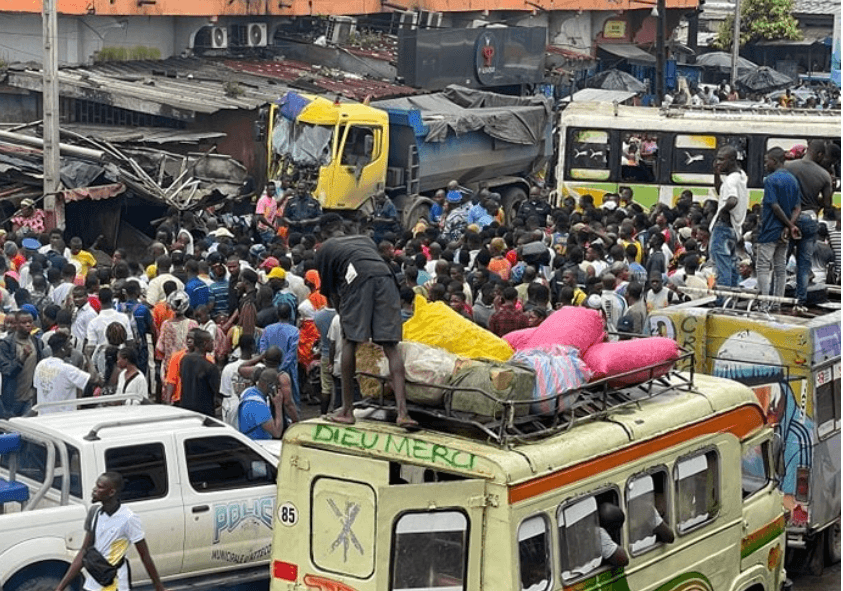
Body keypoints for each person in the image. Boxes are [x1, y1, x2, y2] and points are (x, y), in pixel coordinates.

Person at [315, 213, 416, 427]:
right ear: (342, 226)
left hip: (358, 284)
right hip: (387, 281)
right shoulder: (365, 239)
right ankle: (403, 413)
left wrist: (345, 318)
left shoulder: (326, 248)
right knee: (391, 347)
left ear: (323, 232)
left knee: (349, 341)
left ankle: (347, 410)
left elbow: (331, 294)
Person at [54, 472, 167, 591]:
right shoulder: (95, 513)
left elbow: (145, 556)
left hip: (116, 583)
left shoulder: (128, 518)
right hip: (94, 581)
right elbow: (84, 551)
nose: (94, 490)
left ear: (111, 492)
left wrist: (158, 585)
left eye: (100, 487)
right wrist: (61, 587)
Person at [785, 140, 833, 312]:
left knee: (782, 259)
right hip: (810, 218)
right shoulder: (824, 175)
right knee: (804, 263)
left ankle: (774, 298)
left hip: (789, 219)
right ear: (819, 154)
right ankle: (800, 301)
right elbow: (827, 206)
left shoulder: (788, 167)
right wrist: (815, 201)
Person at [710, 146, 748, 290]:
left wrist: (721, 212)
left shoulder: (731, 180)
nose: (718, 162)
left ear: (732, 160)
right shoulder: (740, 175)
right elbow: (722, 191)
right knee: (732, 266)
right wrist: (716, 174)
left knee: (722, 268)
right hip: (734, 228)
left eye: (721, 159)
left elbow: (732, 200)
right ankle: (732, 299)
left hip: (723, 228)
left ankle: (722, 301)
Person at [33, 332, 96, 414]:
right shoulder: (67, 370)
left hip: (44, 418)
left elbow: (36, 391)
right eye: (69, 344)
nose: (72, 347)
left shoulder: (40, 365)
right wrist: (88, 357)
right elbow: (94, 378)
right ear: (63, 348)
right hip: (64, 419)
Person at [0, 310, 46, 417]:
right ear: (16, 324)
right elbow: (7, 370)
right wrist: (22, 358)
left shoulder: (37, 343)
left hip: (30, 397)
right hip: (12, 399)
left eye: (30, 322)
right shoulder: (6, 344)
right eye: (24, 322)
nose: (28, 325)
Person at [238, 367, 298, 439]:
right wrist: (278, 405)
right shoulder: (258, 406)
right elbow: (277, 432)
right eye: (277, 385)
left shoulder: (248, 391)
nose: (279, 388)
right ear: (271, 386)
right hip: (258, 444)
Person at [178, 329, 220, 417]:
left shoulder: (184, 360)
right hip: (204, 414)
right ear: (205, 343)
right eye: (211, 341)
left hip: (185, 409)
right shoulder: (210, 367)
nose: (213, 344)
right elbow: (217, 392)